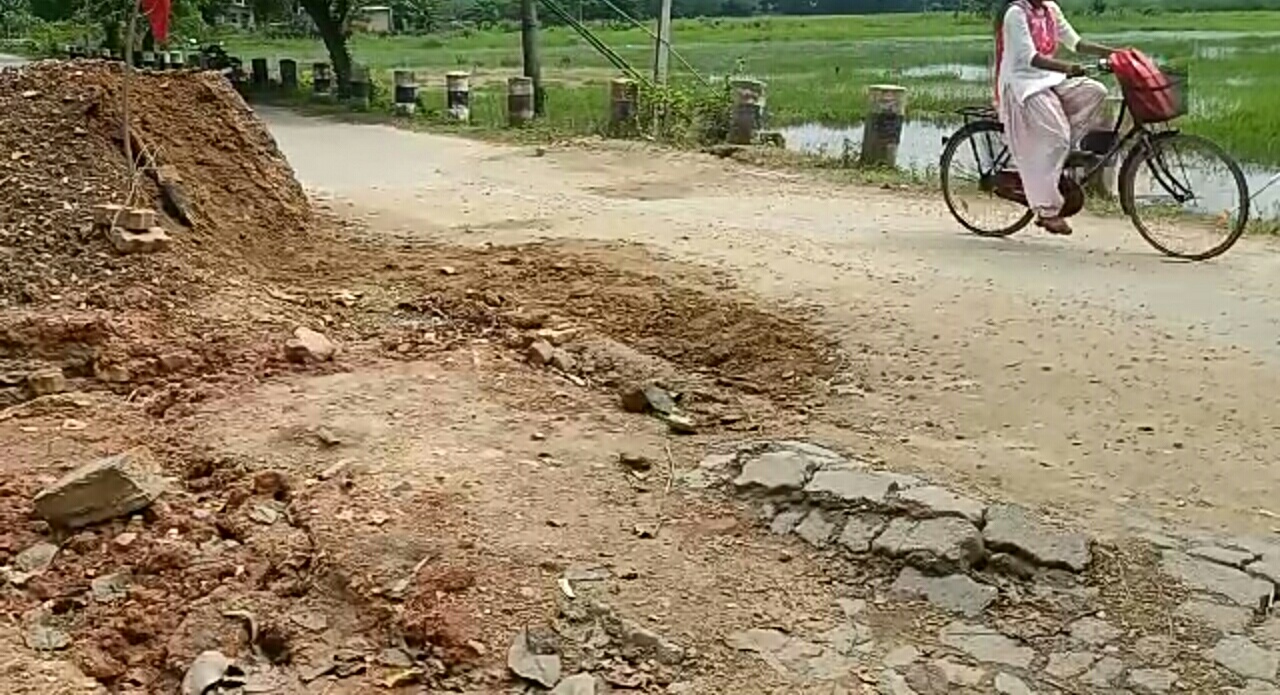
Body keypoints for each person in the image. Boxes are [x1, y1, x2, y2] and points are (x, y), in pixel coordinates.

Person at [995, 0, 1117, 235]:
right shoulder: (1016, 14)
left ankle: (1052, 152)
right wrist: (1069, 68)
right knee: (1057, 138)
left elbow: (1076, 43)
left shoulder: (1050, 9)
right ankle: (1047, 211)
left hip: (1049, 80)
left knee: (1095, 91)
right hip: (1024, 85)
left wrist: (1114, 53)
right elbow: (1031, 58)